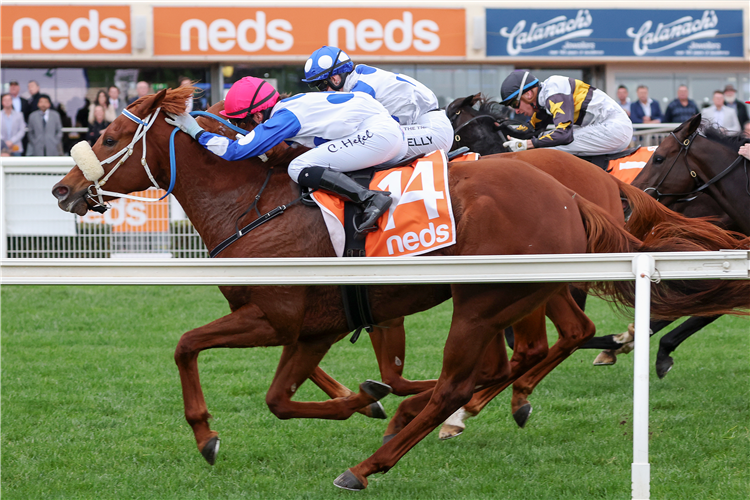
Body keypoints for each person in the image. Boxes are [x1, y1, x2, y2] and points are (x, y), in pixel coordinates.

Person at [166, 77, 406, 234]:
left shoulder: (283, 118)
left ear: (258, 116)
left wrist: (195, 131)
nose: (244, 125)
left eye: (241, 121)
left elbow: (233, 152)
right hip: (388, 132)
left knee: (298, 167)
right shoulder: (293, 104)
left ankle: (368, 199)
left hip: (378, 136)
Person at [300, 45, 453, 157]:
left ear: (335, 78)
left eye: (320, 85)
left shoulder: (361, 90)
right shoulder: (358, 78)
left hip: (432, 130)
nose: (321, 92)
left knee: (364, 147)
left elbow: (340, 130)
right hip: (425, 126)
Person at [498, 70, 632, 155]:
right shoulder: (542, 101)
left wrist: (525, 144)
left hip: (615, 128)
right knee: (542, 139)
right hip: (602, 128)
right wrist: (497, 130)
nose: (516, 110)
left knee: (543, 147)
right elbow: (530, 130)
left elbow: (564, 135)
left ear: (528, 94)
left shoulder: (554, 92)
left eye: (514, 103)